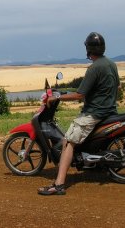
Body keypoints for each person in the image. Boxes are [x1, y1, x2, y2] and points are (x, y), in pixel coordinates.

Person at [38, 32, 120, 196]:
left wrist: (57, 97)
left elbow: (79, 95)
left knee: (68, 141)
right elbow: (117, 87)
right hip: (109, 110)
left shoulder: (94, 68)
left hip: (94, 113)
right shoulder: (111, 64)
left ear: (88, 49)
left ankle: (59, 184)